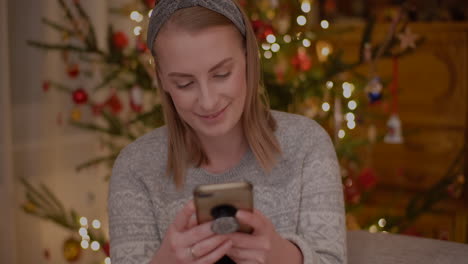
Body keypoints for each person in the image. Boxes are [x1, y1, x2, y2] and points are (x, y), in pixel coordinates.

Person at [108, 0, 346, 263]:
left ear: (247, 57)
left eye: (221, 74)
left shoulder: (306, 144)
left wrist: (282, 256)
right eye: (185, 83)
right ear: (162, 78)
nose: (208, 101)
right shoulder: (135, 167)